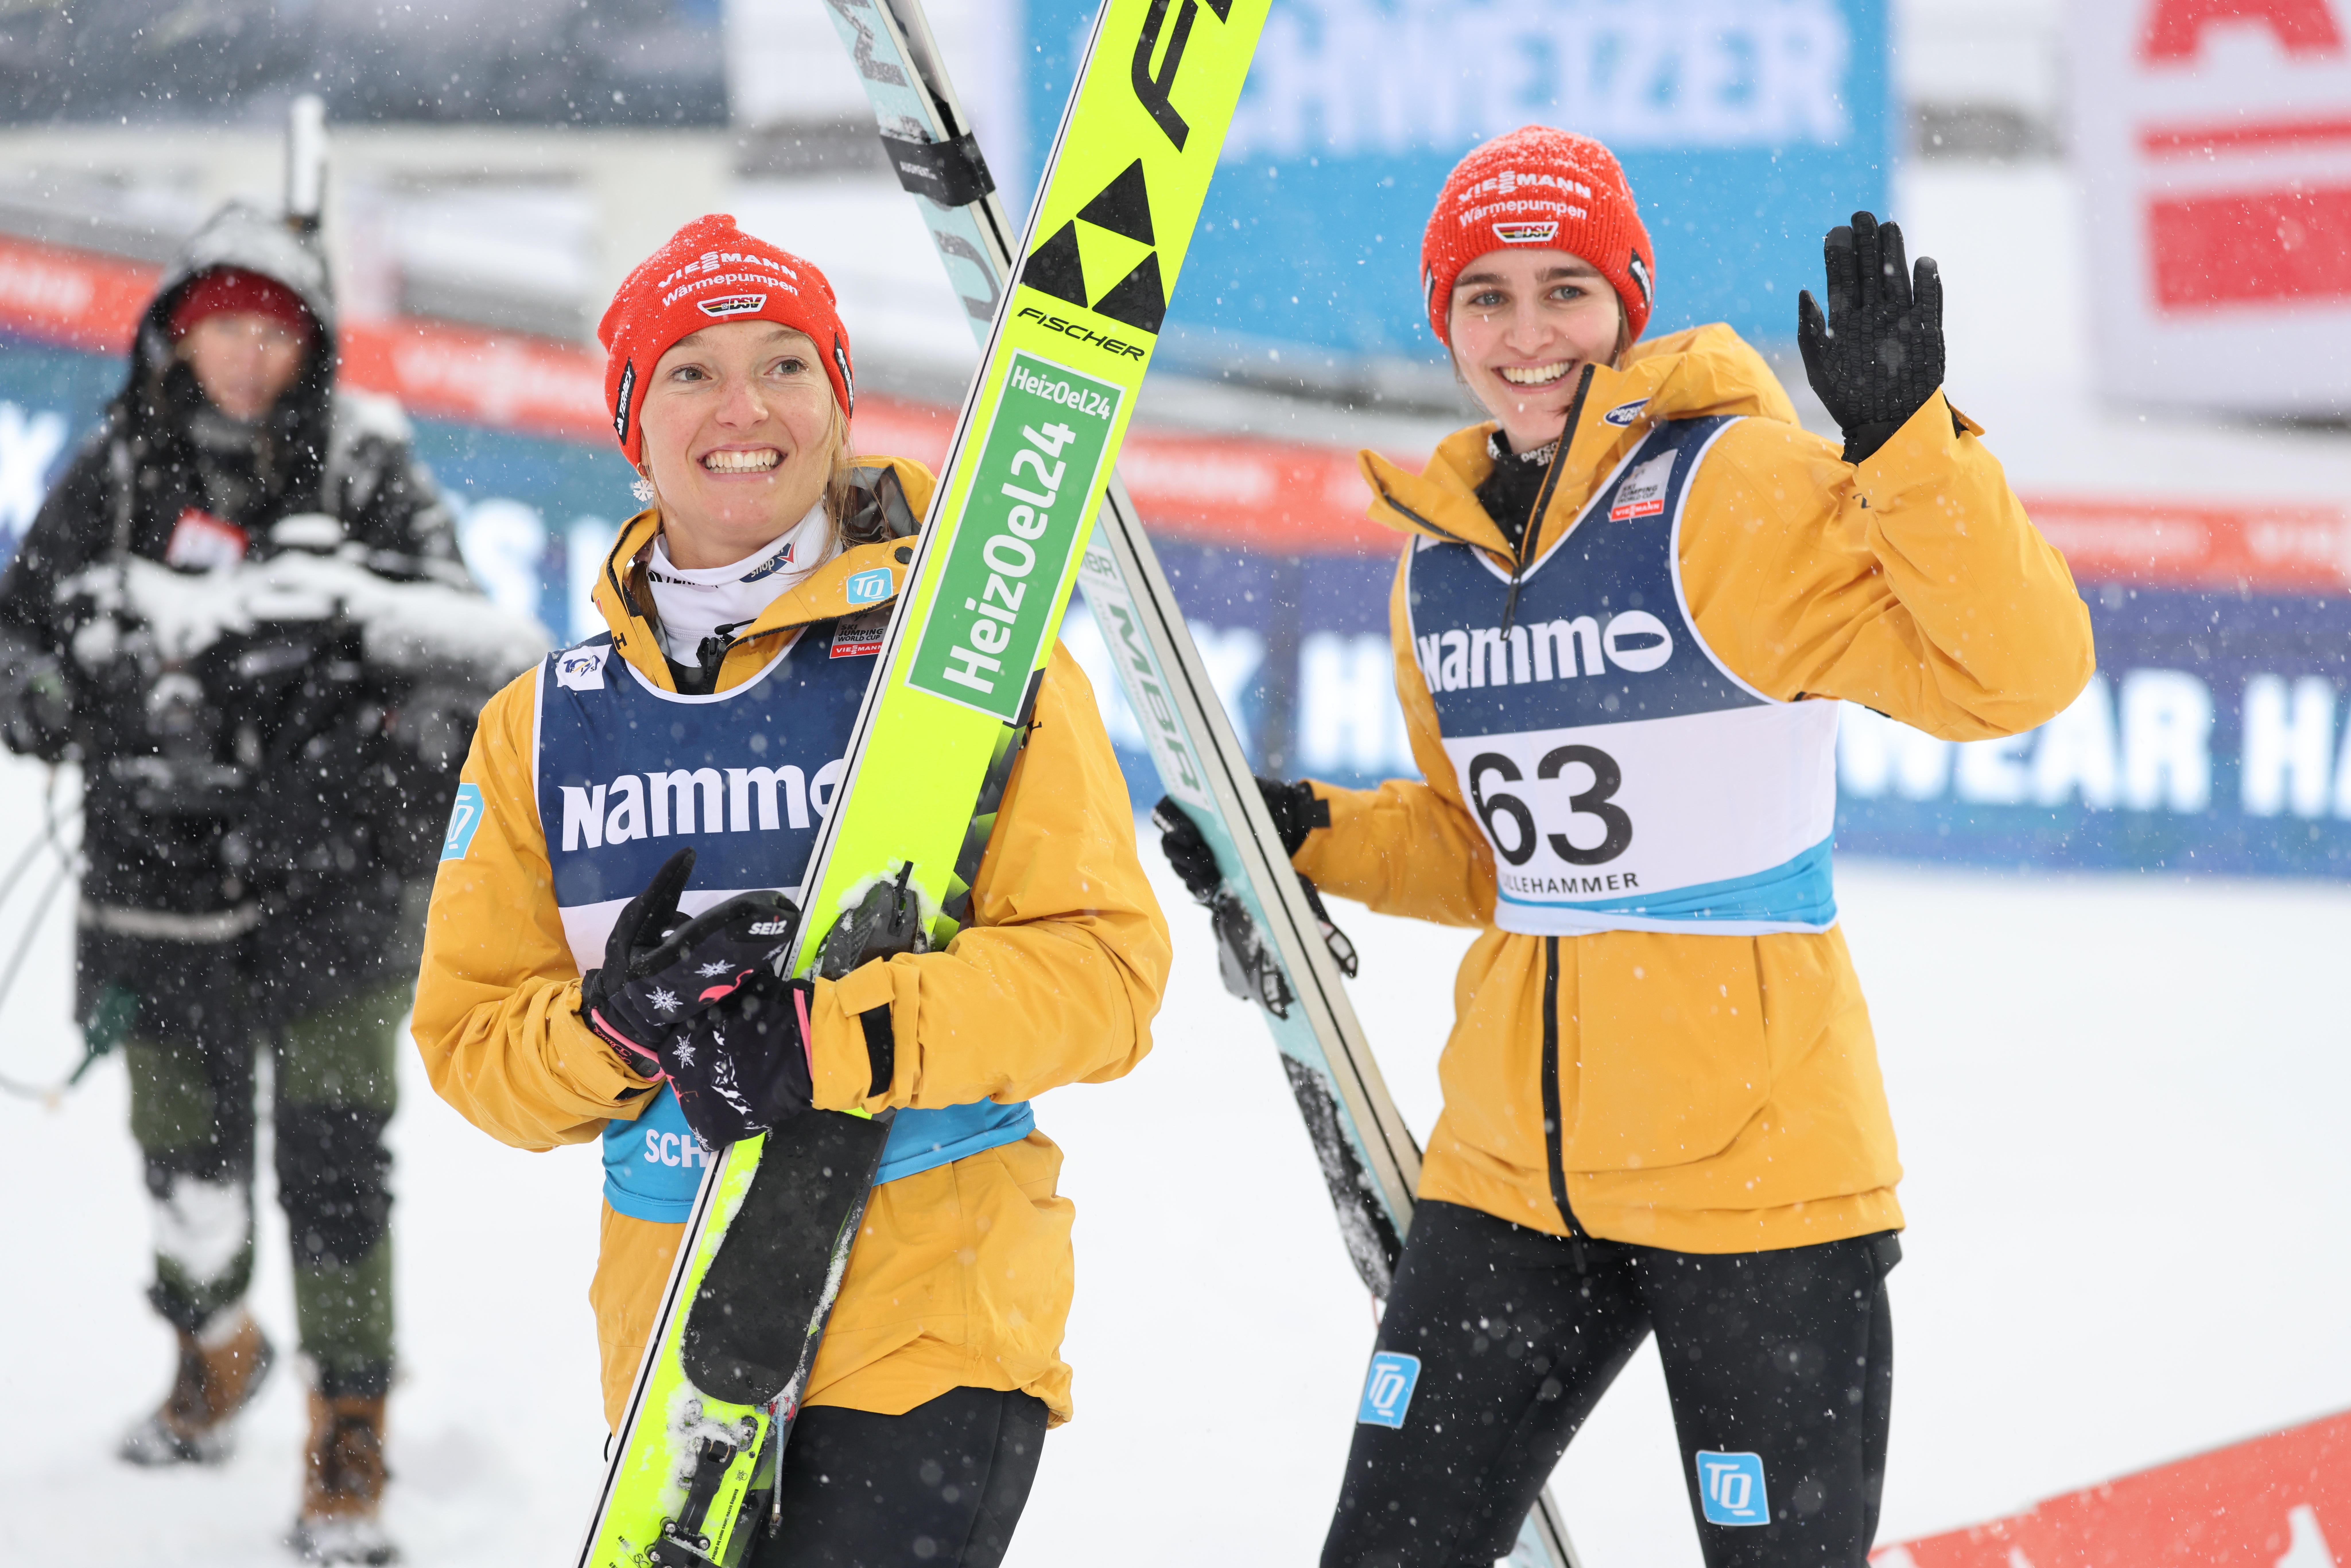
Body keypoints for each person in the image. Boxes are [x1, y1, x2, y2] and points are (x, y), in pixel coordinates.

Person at [1157, 126, 2096, 1565]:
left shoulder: (1740, 488)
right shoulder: (1443, 556)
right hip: (1510, 1184)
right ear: (1441, 318)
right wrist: (1316, 836)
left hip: (1760, 1180)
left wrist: (1910, 445)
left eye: (1563, 288)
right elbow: (1496, 860)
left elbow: (2013, 675)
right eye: (1484, 295)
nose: (1525, 333)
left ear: (1629, 297)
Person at [412, 214, 1171, 1568]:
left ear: (839, 398)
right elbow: (471, 1047)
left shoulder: (970, 663)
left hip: (927, 1318)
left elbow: (1106, 977)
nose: (742, 408)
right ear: (632, 425)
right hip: (676, 1346)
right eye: (690, 372)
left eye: (782, 364)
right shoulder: (545, 723)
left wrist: (838, 1038)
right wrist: (613, 1030)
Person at [0, 202, 503, 1563]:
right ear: (177, 332)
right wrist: (64, 693)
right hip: (153, 891)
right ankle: (214, 1350)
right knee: (183, 1161)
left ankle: (352, 1433)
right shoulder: (115, 468)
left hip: (335, 896)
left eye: (270, 327)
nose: (242, 353)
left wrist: (342, 712)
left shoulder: (367, 467)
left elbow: (483, 661)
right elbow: (17, 638)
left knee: (338, 1168)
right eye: (219, 323)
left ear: (308, 342)